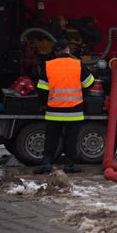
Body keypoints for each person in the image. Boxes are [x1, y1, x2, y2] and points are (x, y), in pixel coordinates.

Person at [34, 39, 95, 174]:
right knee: (71, 139)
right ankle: (69, 165)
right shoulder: (77, 64)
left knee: (51, 137)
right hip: (74, 111)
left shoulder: (48, 65)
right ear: (68, 50)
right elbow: (90, 82)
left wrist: (45, 104)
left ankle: (46, 163)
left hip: (54, 111)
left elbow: (42, 89)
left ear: (55, 53)